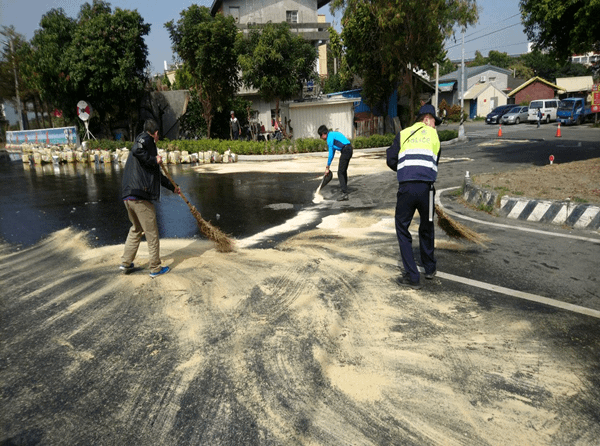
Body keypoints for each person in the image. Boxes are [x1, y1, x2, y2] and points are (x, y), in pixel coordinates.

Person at [386, 104, 442, 289]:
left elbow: (390, 159)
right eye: (434, 121)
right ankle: (430, 268)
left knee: (402, 228)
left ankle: (413, 277)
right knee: (427, 227)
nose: (435, 126)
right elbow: (435, 159)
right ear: (426, 119)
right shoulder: (434, 135)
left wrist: (404, 168)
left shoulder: (403, 134)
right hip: (428, 190)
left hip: (407, 189)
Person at [120, 119, 180, 278]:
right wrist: (155, 159)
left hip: (128, 196)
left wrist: (173, 187)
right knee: (152, 233)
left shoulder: (145, 153)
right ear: (156, 134)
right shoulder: (145, 140)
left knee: (136, 229)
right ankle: (155, 268)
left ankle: (126, 262)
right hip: (140, 197)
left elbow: (156, 176)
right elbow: (137, 149)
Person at [318, 125, 353, 201]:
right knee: (343, 171)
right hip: (349, 149)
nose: (321, 138)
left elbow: (330, 154)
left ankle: (344, 194)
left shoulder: (329, 138)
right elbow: (333, 153)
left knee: (340, 172)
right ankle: (344, 189)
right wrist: (328, 166)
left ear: (324, 134)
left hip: (346, 150)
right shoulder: (333, 134)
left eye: (320, 136)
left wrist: (327, 167)